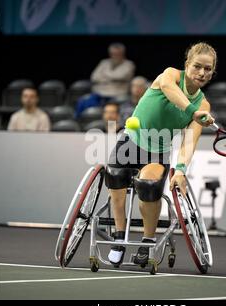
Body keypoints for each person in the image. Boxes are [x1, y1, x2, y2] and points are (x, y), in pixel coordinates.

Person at [105, 42, 216, 266]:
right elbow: (169, 89)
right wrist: (193, 112)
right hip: (131, 140)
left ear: (213, 71)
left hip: (157, 151)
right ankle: (118, 237)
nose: (202, 73)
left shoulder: (203, 104)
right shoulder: (171, 75)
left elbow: (188, 142)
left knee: (148, 185)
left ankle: (147, 240)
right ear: (187, 64)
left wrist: (182, 170)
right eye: (197, 66)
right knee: (115, 176)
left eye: (208, 69)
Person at [75, 43, 135, 118]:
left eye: (117, 54)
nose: (115, 56)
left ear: (122, 54)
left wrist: (104, 75)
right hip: (99, 94)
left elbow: (120, 76)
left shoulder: (129, 64)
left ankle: (111, 127)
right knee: (83, 101)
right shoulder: (104, 63)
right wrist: (113, 79)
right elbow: (94, 77)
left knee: (110, 111)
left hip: (117, 95)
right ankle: (79, 123)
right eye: (113, 54)